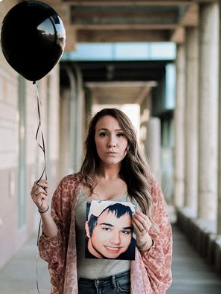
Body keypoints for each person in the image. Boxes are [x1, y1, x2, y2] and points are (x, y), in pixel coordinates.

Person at [31, 108, 172, 294]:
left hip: (124, 286)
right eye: (103, 134)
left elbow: (162, 250)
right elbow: (55, 246)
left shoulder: (145, 186)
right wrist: (43, 209)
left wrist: (144, 237)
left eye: (120, 135)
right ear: (93, 141)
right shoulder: (70, 186)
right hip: (81, 287)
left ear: (128, 143)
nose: (112, 143)